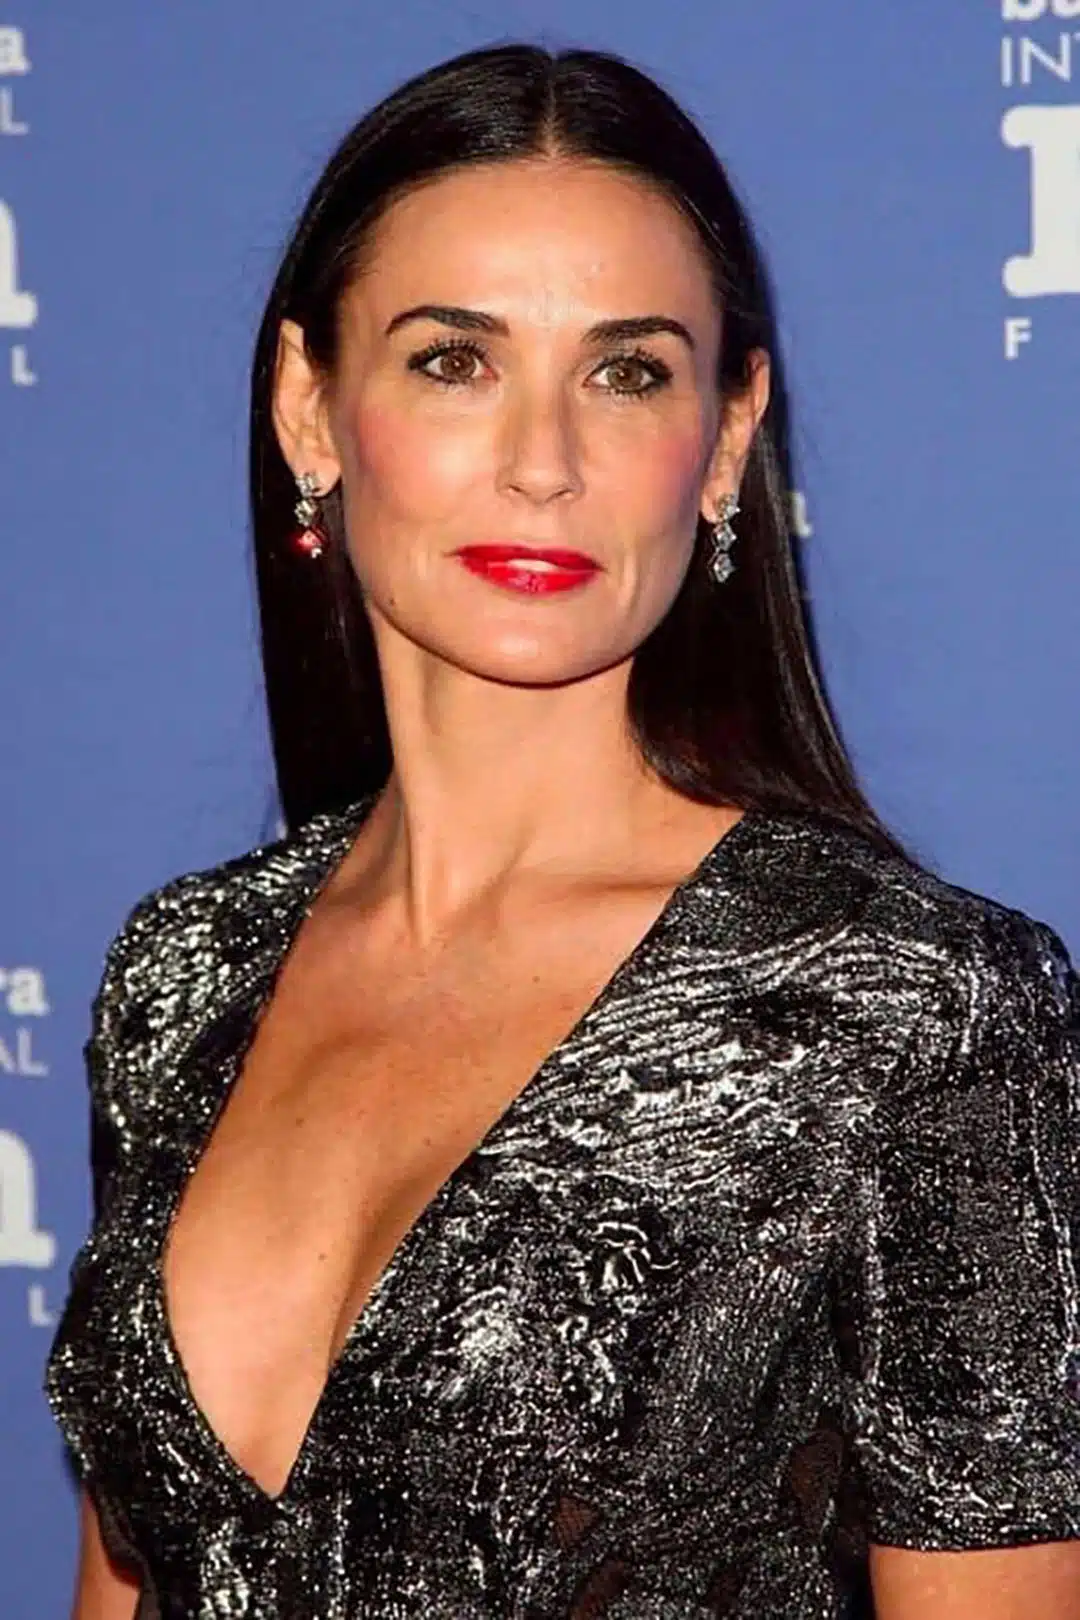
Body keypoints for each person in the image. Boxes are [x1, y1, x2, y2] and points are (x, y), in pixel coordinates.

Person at [44, 40, 1080, 1620]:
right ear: (311, 409)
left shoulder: (916, 1016)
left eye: (628, 372)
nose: (543, 463)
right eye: (454, 360)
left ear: (724, 441)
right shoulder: (183, 976)